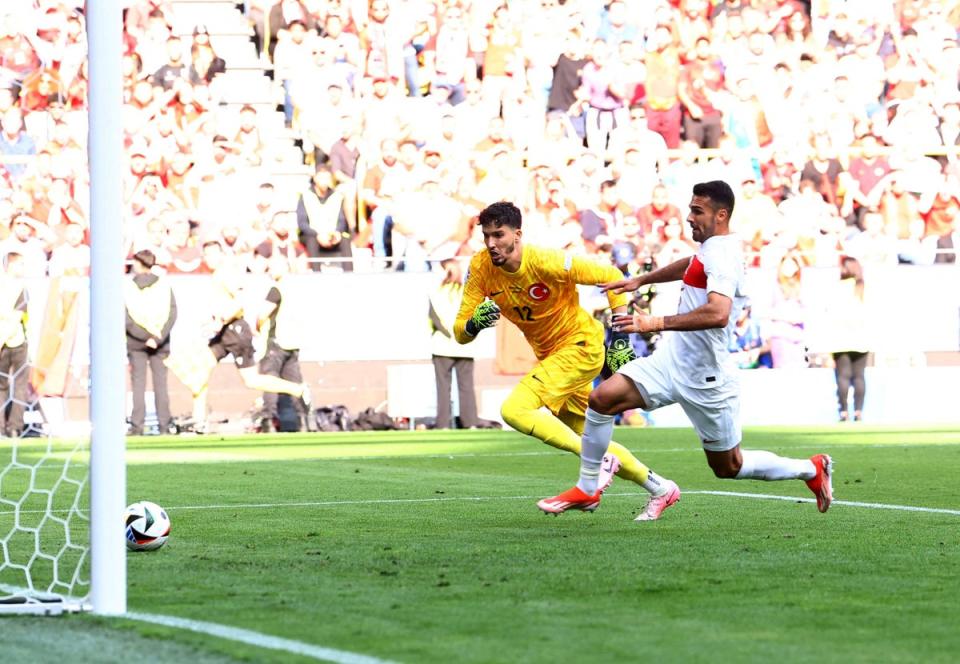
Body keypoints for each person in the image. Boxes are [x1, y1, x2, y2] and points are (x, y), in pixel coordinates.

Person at [539, 181, 834, 520]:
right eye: (690, 209)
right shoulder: (714, 246)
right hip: (671, 361)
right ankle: (588, 488)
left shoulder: (723, 254)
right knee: (602, 399)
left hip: (706, 377)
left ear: (720, 215)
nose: (689, 217)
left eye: (698, 211)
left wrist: (653, 323)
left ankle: (811, 470)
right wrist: (642, 280)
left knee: (729, 467)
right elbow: (692, 264)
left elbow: (718, 314)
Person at [454, 202, 674, 516]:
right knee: (592, 437)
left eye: (498, 235)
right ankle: (661, 488)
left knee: (514, 409)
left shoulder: (546, 260)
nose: (491, 244)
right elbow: (460, 332)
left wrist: (621, 336)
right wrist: (475, 323)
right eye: (486, 236)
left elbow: (610, 274)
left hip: (580, 346)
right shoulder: (480, 269)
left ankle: (596, 468)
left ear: (517, 234)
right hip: (552, 359)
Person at [254, 255, 316, 433]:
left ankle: (269, 420)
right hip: (294, 342)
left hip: (277, 340)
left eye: (273, 267)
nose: (270, 271)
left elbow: (263, 314)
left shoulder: (277, 288)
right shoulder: (297, 288)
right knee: (295, 383)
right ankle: (303, 420)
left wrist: (257, 327)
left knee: (270, 381)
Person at [124, 249, 177, 436]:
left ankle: (137, 426)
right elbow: (172, 313)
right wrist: (158, 337)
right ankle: (165, 425)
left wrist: (143, 336)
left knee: (138, 385)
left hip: (136, 341)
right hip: (160, 341)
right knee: (161, 385)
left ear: (138, 264)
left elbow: (126, 319)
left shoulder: (128, 287)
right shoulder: (163, 285)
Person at [429, 257, 478, 430]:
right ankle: (471, 422)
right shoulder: (467, 292)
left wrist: (446, 334)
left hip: (442, 346)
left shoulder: (437, 291)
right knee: (467, 388)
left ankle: (443, 424)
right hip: (465, 345)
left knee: (443, 388)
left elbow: (433, 318)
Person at [830, 256, 869, 422]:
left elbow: (830, 313)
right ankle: (859, 411)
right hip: (861, 339)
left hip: (840, 338)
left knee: (843, 375)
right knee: (859, 375)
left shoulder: (837, 288)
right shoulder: (863, 288)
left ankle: (844, 412)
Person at [0, 252, 29, 437]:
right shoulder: (21, 288)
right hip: (16, 340)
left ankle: (2, 428)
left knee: (1, 386)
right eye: (20, 264)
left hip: (4, 340)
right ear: (10, 265)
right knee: (19, 384)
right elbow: (18, 317)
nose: (23, 268)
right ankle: (15, 428)